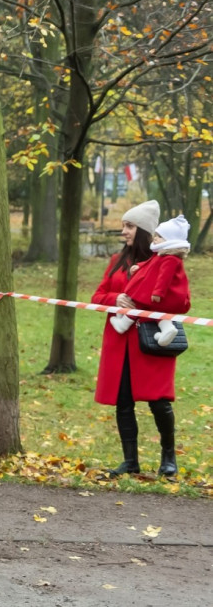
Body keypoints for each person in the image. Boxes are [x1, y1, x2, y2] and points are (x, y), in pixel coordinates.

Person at [92, 201, 189, 478]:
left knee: (158, 401)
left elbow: (181, 302)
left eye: (130, 226)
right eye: (123, 225)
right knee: (124, 401)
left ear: (146, 231)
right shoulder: (116, 262)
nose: (124, 231)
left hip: (151, 341)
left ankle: (168, 458)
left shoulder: (168, 262)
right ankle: (130, 461)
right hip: (118, 341)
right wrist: (116, 298)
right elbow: (97, 296)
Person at [109, 214, 191, 347]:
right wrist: (139, 267)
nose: (155, 239)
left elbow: (165, 277)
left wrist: (158, 293)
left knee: (140, 304)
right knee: (152, 309)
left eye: (159, 237)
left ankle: (123, 323)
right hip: (163, 294)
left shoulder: (170, 259)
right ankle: (167, 328)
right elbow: (150, 264)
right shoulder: (161, 255)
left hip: (164, 294)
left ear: (169, 240)